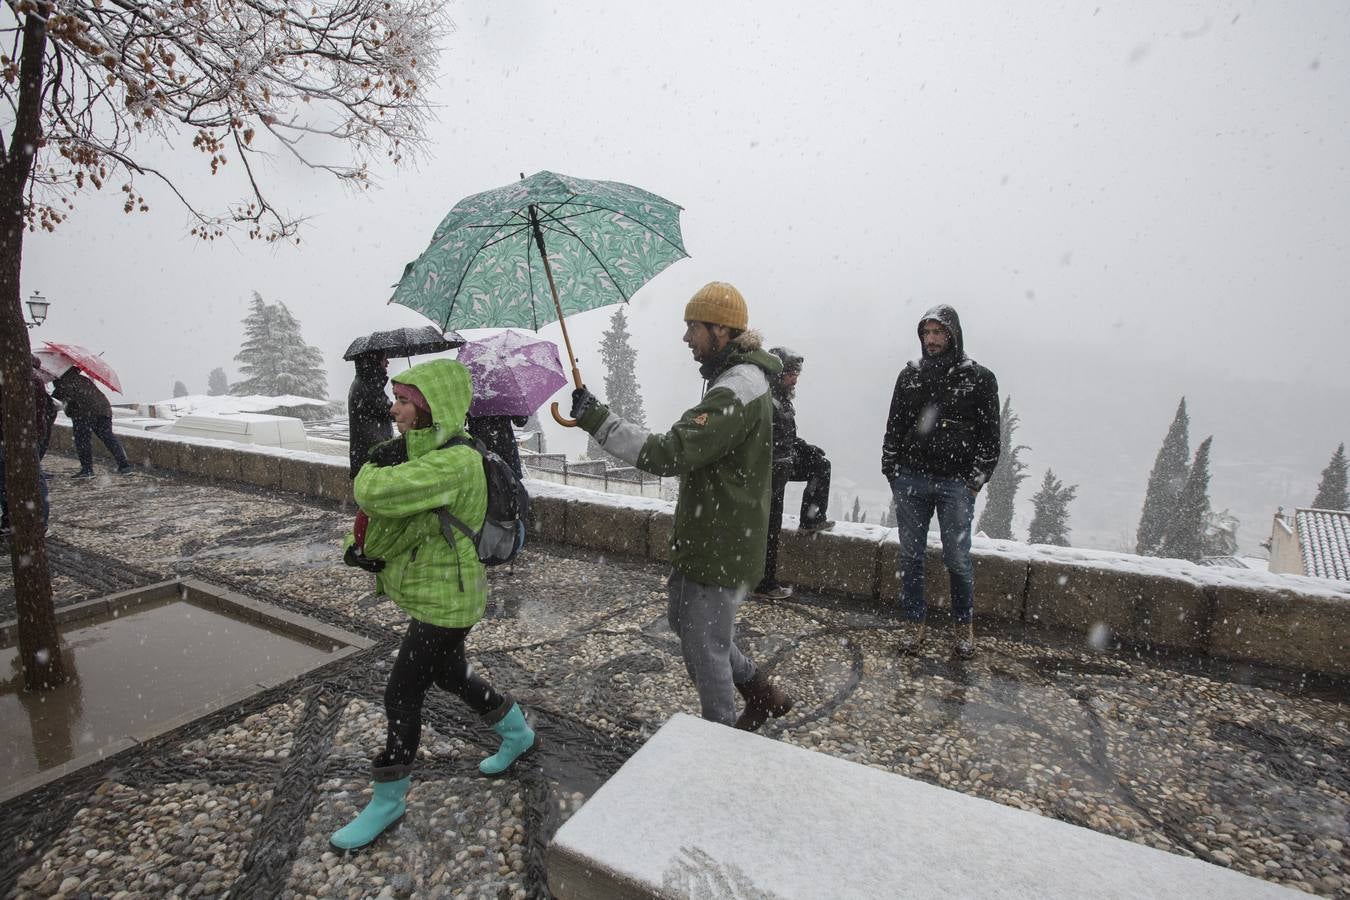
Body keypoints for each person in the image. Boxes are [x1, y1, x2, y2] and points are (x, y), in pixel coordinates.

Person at [571, 281, 794, 732]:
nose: (686, 337)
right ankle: (761, 692)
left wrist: (598, 419)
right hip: (711, 533)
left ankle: (717, 742)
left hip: (720, 540)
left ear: (722, 330)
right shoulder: (734, 379)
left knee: (703, 642)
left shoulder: (736, 389)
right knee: (685, 621)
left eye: (693, 327)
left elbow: (668, 453)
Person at [332, 359, 536, 851]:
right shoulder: (429, 450)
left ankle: (388, 800)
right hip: (443, 592)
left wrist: (373, 466)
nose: (393, 407)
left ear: (429, 409)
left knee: (401, 694)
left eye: (403, 401)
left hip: (450, 601)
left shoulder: (454, 462)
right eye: (396, 398)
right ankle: (517, 732)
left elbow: (375, 492)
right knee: (451, 675)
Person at [880, 305, 1000, 659]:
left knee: (958, 558)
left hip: (955, 485)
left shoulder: (979, 379)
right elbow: (895, 425)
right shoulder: (910, 376)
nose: (931, 340)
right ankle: (914, 622)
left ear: (953, 335)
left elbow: (990, 438)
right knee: (911, 556)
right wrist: (892, 470)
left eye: (938, 332)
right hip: (911, 479)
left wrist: (974, 482)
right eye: (926, 333)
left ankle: (963, 625)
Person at [754, 346, 834, 600]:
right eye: (790, 373)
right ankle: (764, 584)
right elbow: (762, 439)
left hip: (784, 463)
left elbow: (785, 435)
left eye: (796, 373)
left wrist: (805, 448)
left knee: (821, 465)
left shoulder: (782, 399)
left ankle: (811, 520)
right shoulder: (765, 399)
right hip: (770, 472)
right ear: (777, 373)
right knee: (770, 528)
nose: (794, 379)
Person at [0, 358, 56, 535]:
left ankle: (37, 522)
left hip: (21, 435)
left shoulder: (26, 378)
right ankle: (15, 520)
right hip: (21, 434)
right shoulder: (29, 376)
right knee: (8, 477)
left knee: (30, 477)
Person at [50, 366, 132, 478]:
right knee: (108, 436)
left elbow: (56, 401)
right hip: (103, 409)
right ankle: (124, 465)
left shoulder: (64, 383)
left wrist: (63, 406)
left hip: (83, 413)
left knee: (82, 440)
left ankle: (87, 469)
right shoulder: (82, 379)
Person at [347, 351, 394, 479]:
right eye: (385, 359)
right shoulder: (369, 386)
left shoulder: (363, 382)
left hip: (365, 456)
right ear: (375, 362)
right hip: (372, 456)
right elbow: (392, 411)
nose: (388, 363)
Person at [464, 413, 527, 480]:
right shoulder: (505, 403)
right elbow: (520, 421)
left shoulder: (472, 403)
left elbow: (520, 421)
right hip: (504, 449)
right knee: (508, 485)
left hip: (480, 450)